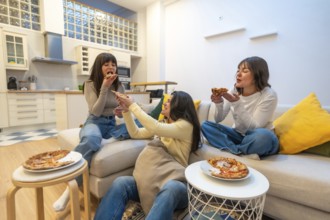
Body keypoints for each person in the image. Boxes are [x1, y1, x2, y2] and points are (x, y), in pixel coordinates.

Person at [94, 91, 201, 220]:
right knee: (120, 183)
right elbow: (136, 133)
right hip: (153, 181)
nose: (165, 103)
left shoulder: (186, 126)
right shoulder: (165, 126)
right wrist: (126, 111)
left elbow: (155, 127)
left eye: (169, 101)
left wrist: (133, 105)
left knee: (171, 187)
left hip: (177, 184)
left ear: (179, 106)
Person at [53, 52, 130, 211]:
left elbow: (123, 111)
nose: (111, 67)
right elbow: (95, 111)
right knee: (91, 139)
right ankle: (69, 190)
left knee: (136, 125)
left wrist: (121, 111)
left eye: (113, 64)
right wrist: (104, 88)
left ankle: (107, 138)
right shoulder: (90, 84)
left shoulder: (119, 85)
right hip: (95, 121)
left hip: (111, 123)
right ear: (99, 67)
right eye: (106, 64)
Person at [201, 56, 279, 157]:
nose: (238, 74)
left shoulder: (269, 95)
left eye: (245, 71)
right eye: (238, 70)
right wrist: (219, 103)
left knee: (264, 137)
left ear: (257, 75)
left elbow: (255, 127)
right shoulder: (234, 90)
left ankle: (234, 148)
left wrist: (236, 103)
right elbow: (218, 119)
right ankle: (238, 151)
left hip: (257, 137)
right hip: (239, 135)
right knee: (205, 125)